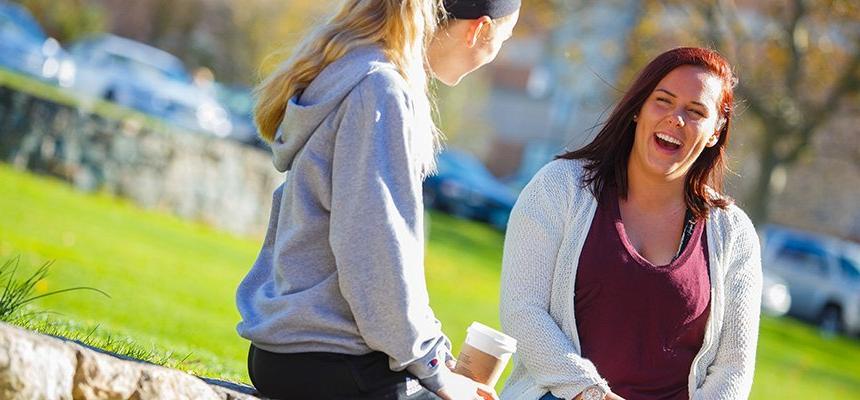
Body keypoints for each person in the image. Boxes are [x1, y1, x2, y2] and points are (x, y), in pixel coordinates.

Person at [235, 1, 519, 399]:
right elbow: (375, 253)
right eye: (500, 42)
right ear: (477, 30)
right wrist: (436, 369)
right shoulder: (380, 91)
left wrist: (433, 356)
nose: (493, 57)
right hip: (332, 359)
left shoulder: (350, 70)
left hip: (290, 348)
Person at [498, 47, 762, 400]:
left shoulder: (733, 233)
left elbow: (734, 368)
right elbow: (523, 310)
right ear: (638, 108)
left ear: (716, 131)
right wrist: (592, 394)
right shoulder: (559, 187)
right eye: (663, 101)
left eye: (696, 111)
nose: (676, 118)